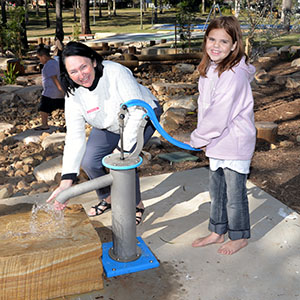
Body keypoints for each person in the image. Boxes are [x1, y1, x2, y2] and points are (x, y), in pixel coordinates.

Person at [47, 41, 161, 225]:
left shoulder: (115, 72)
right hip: (107, 123)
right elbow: (75, 137)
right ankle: (108, 197)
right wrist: (66, 181)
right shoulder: (73, 93)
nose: (81, 75)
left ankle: (136, 204)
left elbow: (137, 110)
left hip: (142, 115)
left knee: (124, 163)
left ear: (93, 61)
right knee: (90, 161)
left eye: (83, 67)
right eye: (73, 71)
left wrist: (121, 150)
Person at [188, 16, 256, 255]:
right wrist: (206, 139)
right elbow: (206, 108)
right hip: (217, 141)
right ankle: (218, 231)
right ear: (205, 40)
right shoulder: (211, 68)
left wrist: (197, 139)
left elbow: (219, 114)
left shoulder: (233, 75)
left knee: (235, 194)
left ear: (235, 45)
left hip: (234, 142)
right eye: (211, 39)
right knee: (216, 190)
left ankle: (239, 236)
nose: (216, 46)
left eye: (224, 41)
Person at [35, 44, 65, 130]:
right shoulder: (54, 62)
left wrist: (60, 89)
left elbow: (54, 78)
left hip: (51, 92)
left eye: (40, 58)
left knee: (43, 108)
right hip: (55, 92)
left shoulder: (49, 65)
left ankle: (44, 124)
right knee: (62, 106)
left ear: (44, 56)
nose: (40, 60)